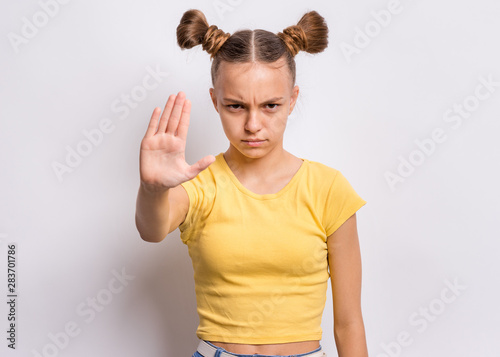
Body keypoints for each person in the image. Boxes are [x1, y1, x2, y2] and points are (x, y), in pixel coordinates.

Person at [135, 8, 369, 357]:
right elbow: (151, 230)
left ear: (292, 101)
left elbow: (348, 322)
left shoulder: (329, 189)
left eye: (271, 105)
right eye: (236, 106)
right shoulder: (201, 183)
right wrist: (153, 189)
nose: (253, 124)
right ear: (215, 101)